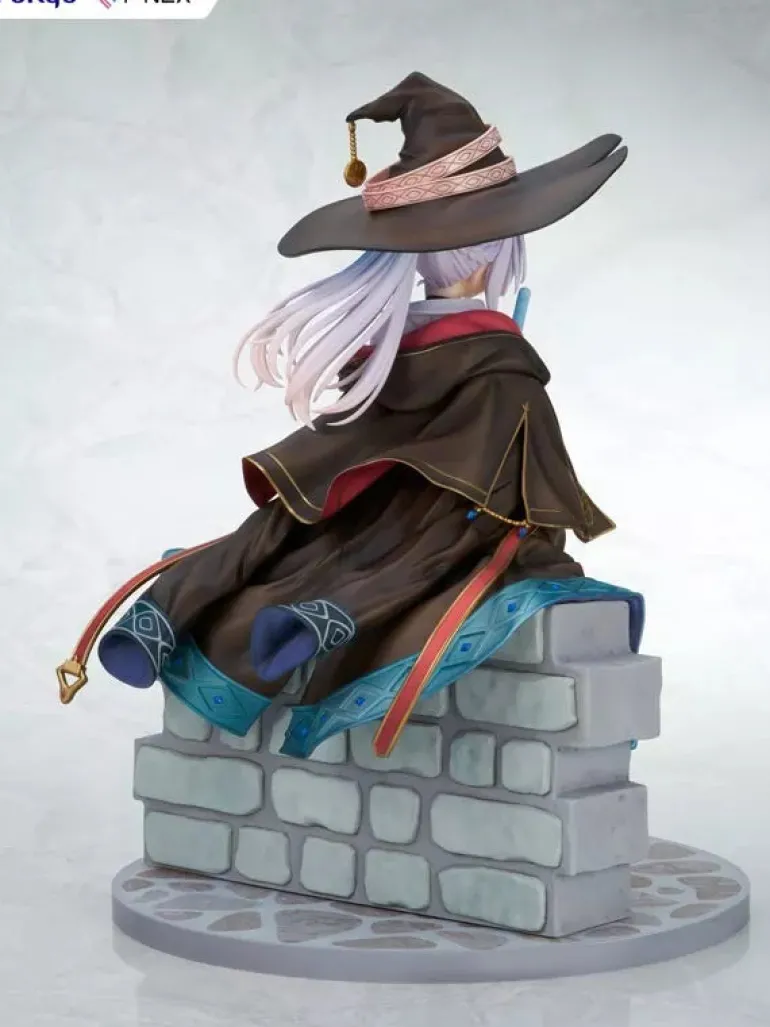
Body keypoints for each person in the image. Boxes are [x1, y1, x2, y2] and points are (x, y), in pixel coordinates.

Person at [69, 72, 629, 754]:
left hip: (362, 510)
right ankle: (323, 617)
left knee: (283, 526)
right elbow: (529, 492)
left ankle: (161, 614)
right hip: (438, 524)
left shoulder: (393, 350)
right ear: (497, 249)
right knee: (431, 549)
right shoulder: (504, 374)